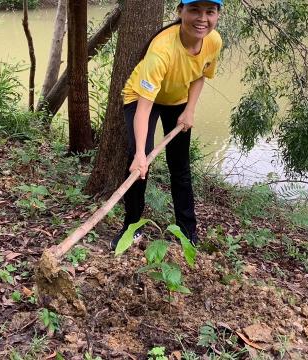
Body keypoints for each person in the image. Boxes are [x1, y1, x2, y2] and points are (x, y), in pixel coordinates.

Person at [111, 0, 223, 250]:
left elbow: (201, 75)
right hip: (141, 98)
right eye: (194, 10)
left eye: (210, 12)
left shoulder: (214, 41)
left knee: (180, 167)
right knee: (138, 165)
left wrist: (189, 110)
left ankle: (187, 232)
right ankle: (132, 228)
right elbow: (145, 105)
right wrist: (141, 153)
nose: (202, 18)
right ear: (180, 11)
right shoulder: (162, 48)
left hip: (178, 99)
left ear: (217, 15)